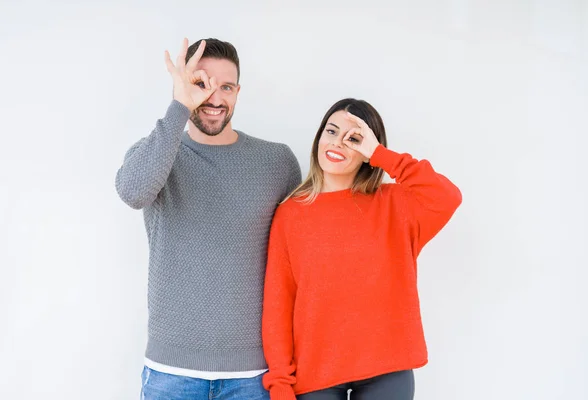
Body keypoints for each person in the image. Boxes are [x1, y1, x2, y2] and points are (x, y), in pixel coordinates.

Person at [115, 37, 301, 400]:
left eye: (226, 87)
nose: (215, 98)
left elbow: (299, 262)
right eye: (201, 84)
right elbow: (132, 192)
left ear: (238, 91)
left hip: (254, 375)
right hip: (171, 374)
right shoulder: (158, 152)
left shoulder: (277, 163)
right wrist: (179, 107)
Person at [261, 98, 462, 399]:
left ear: (367, 150)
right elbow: (278, 305)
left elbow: (447, 197)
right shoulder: (291, 214)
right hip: (315, 371)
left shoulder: (395, 204)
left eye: (353, 138)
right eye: (331, 131)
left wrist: (381, 155)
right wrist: (279, 384)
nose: (337, 143)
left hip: (387, 366)